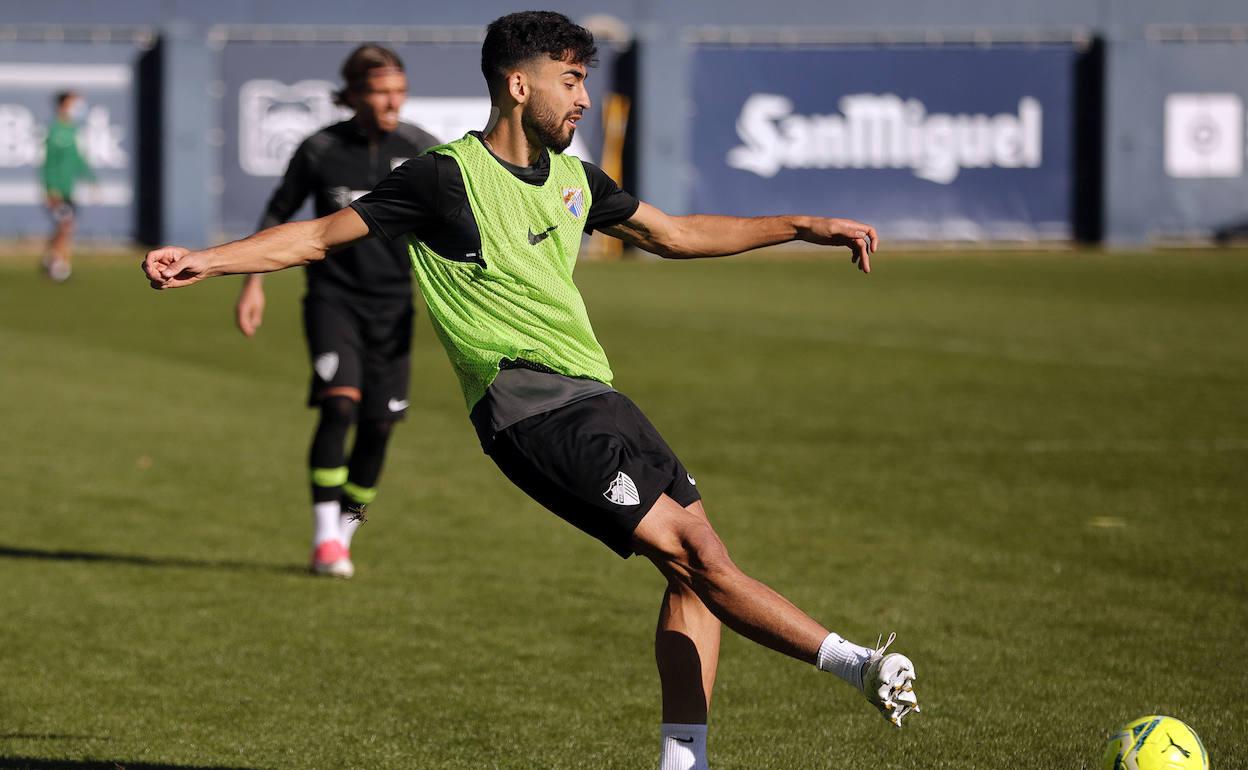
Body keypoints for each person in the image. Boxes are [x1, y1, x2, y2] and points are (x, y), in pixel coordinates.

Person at [143, 11, 920, 767]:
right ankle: (858, 664)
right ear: (519, 85)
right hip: (527, 409)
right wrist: (208, 260)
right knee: (697, 555)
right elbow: (317, 236)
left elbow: (677, 234)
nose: (583, 98)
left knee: (694, 568)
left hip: (600, 397)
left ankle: (683, 763)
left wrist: (799, 224)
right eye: (570, 80)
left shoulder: (576, 177)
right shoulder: (443, 177)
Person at [234, 44, 438, 578]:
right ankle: (325, 537)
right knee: (340, 405)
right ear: (352, 94)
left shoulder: (421, 150)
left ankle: (347, 530)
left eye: (399, 91)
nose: (392, 102)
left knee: (380, 426)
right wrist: (253, 284)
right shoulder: (320, 149)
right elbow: (279, 213)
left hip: (394, 308)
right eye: (380, 92)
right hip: (333, 301)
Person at [41, 90, 93, 283]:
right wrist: (50, 188)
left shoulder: (72, 130)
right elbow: (47, 162)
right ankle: (59, 264)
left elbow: (78, 159)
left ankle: (51, 258)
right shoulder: (55, 131)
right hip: (58, 190)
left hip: (70, 189)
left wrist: (91, 180)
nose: (77, 108)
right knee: (66, 225)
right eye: (73, 104)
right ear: (62, 106)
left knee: (65, 227)